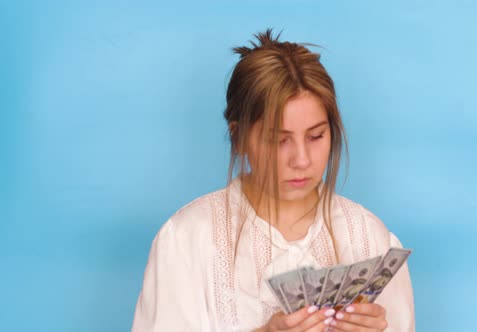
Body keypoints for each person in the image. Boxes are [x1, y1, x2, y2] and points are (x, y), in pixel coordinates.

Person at [131, 29, 414, 332]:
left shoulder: (370, 238)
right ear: (238, 137)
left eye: (316, 136)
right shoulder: (187, 239)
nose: (301, 160)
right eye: (279, 141)